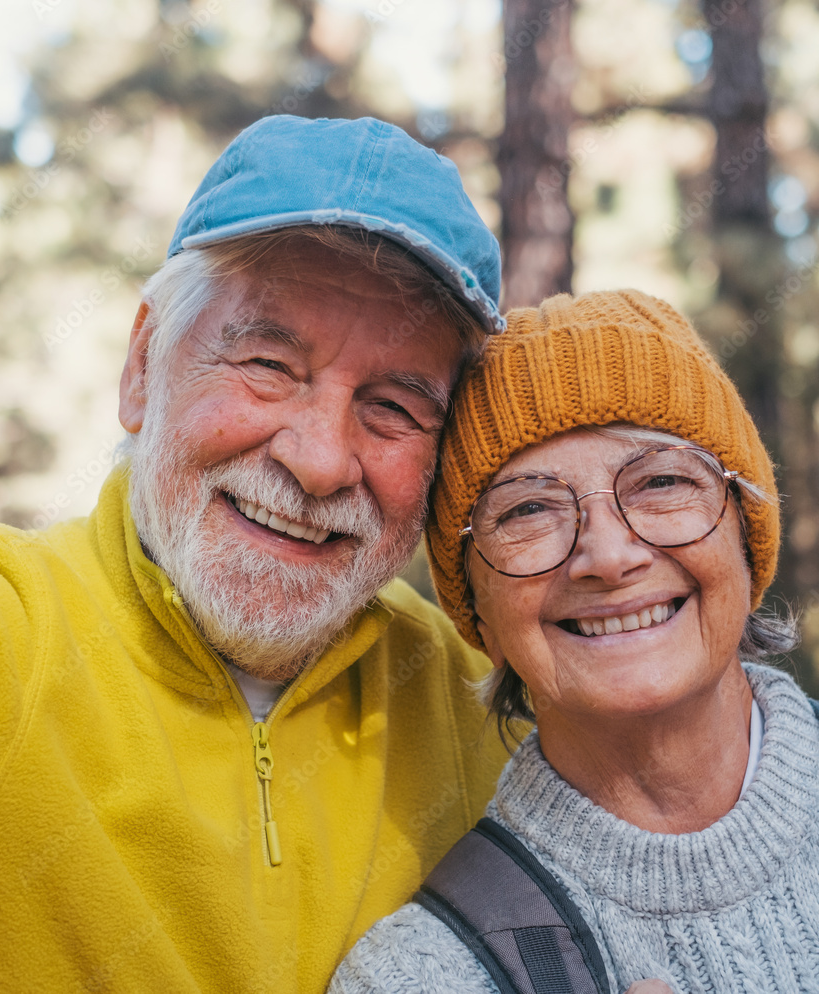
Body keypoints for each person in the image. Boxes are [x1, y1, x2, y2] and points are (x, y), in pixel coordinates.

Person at [0, 115, 516, 992]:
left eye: (394, 409)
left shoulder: (476, 706)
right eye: (268, 362)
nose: (320, 458)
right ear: (143, 364)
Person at [330, 289, 817, 993]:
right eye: (529, 509)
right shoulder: (418, 976)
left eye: (662, 482)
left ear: (748, 536)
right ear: (479, 612)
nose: (609, 556)